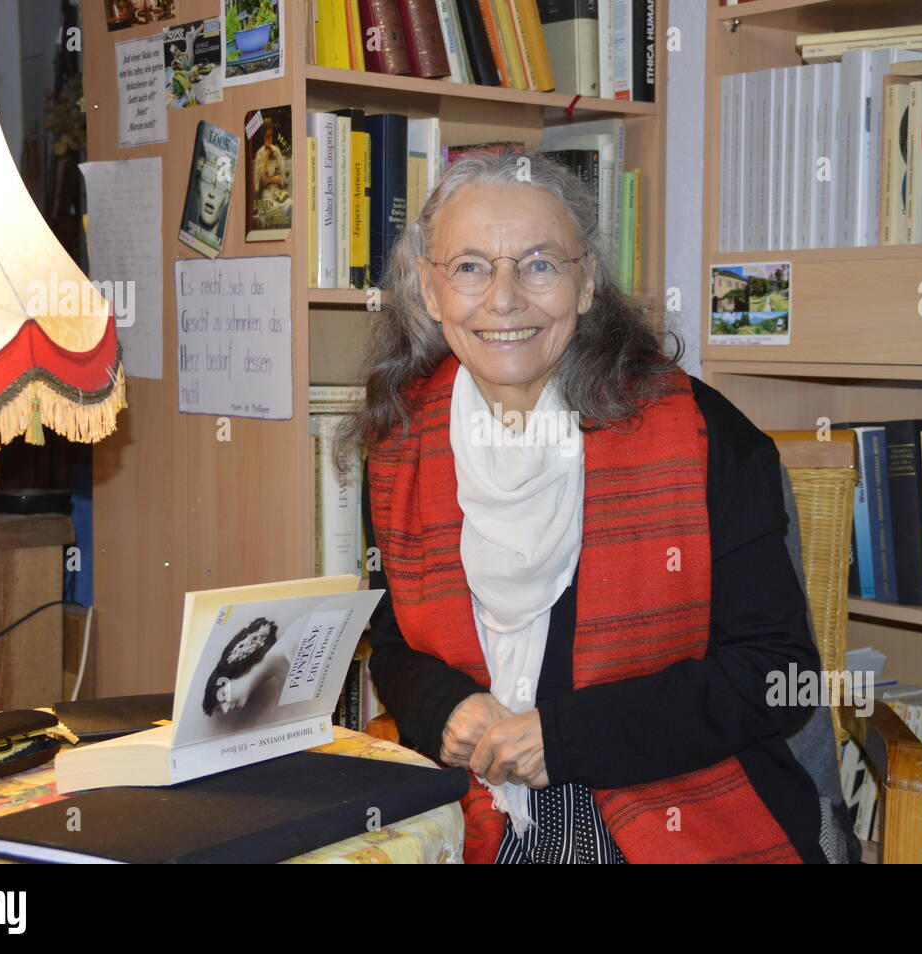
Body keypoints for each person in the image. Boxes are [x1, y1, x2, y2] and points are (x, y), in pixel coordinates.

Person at [341, 150, 828, 864]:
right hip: (474, 812)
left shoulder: (704, 435)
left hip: (678, 810)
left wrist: (566, 738)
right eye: (470, 267)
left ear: (588, 282)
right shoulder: (399, 446)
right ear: (428, 287)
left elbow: (780, 677)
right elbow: (392, 647)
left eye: (539, 265)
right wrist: (442, 707)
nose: (504, 299)